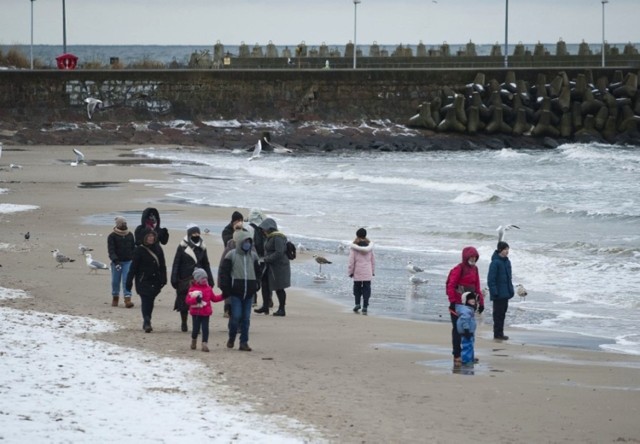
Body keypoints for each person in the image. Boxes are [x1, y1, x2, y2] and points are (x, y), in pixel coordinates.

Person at [218, 230, 261, 351]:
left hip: (249, 293)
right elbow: (224, 273)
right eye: (245, 241)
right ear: (240, 242)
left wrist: (257, 284)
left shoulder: (253, 256)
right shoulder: (231, 255)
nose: (248, 244)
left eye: (249, 241)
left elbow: (258, 272)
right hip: (235, 293)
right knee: (236, 317)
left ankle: (244, 342)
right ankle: (231, 338)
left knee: (246, 319)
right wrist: (226, 289)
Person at [446, 246, 485, 367]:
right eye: (471, 257)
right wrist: (452, 301)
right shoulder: (459, 269)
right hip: (457, 305)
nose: (473, 259)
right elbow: (451, 285)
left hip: (470, 306)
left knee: (469, 331)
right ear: (465, 257)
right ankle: (457, 355)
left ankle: (468, 355)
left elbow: (477, 287)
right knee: (458, 330)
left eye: (475, 257)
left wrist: (481, 302)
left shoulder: (475, 269)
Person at [171, 225, 215, 333]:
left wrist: (210, 279)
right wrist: (174, 278)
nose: (196, 236)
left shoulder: (202, 247)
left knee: (198, 302)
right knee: (183, 302)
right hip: (184, 278)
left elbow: (206, 264)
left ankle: (196, 325)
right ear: (189, 235)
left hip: (198, 279)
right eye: (194, 234)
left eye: (197, 234)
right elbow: (176, 263)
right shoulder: (182, 247)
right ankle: (184, 322)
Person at [126, 229, 167, 333]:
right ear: (144, 238)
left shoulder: (158, 248)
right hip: (142, 280)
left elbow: (162, 265)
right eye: (148, 236)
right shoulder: (138, 250)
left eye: (152, 236)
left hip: (155, 280)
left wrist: (164, 278)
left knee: (151, 300)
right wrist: (129, 282)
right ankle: (147, 321)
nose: (151, 238)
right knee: (145, 300)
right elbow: (133, 268)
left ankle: (148, 318)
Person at [259, 217, 291, 317]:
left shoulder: (278, 237)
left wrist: (266, 259)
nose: (263, 231)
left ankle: (282, 309)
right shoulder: (270, 237)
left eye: (264, 228)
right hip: (271, 266)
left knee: (279, 287)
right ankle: (265, 306)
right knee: (264, 284)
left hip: (280, 266)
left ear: (270, 228)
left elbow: (279, 252)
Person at [185, 268, 223, 352]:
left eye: (206, 278)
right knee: (195, 329)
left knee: (205, 328)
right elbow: (187, 300)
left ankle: (204, 343)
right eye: (202, 278)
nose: (205, 280)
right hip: (196, 313)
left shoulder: (208, 288)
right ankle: (194, 340)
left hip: (206, 313)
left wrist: (223, 296)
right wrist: (195, 300)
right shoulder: (192, 289)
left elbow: (214, 298)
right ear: (197, 280)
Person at [245, 208, 272, 314]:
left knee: (252, 279)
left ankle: (252, 300)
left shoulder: (248, 227)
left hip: (252, 257)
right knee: (265, 282)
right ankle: (267, 303)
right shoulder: (265, 227)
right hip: (264, 258)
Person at [487, 241, 514, 341]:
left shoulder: (507, 262)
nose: (507, 251)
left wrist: (510, 290)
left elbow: (509, 278)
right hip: (498, 294)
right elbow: (491, 279)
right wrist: (494, 292)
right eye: (505, 249)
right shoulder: (495, 263)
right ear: (500, 250)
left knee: (503, 313)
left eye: (508, 249)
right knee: (497, 314)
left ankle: (500, 333)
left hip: (505, 293)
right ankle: (497, 334)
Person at [107, 216, 135, 308]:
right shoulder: (112, 236)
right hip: (116, 262)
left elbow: (133, 248)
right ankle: (115, 297)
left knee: (126, 280)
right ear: (118, 225)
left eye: (125, 223)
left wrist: (134, 258)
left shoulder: (130, 235)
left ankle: (127, 299)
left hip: (128, 262)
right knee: (115, 281)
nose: (124, 225)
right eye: (122, 224)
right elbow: (111, 251)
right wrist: (115, 261)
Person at [348, 228, 375, 315]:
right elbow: (373, 260)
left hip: (357, 271)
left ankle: (357, 304)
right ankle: (365, 306)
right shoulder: (369, 247)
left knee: (357, 288)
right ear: (365, 235)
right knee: (367, 289)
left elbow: (351, 261)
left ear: (357, 235)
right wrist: (372, 271)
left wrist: (350, 272)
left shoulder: (354, 247)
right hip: (367, 271)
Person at [456, 291, 478, 366]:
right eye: (470, 299)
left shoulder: (470, 309)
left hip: (470, 331)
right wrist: (466, 330)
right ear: (465, 300)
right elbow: (464, 320)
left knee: (470, 345)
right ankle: (466, 361)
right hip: (466, 331)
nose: (473, 300)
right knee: (467, 346)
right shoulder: (466, 310)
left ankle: (470, 359)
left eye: (474, 298)